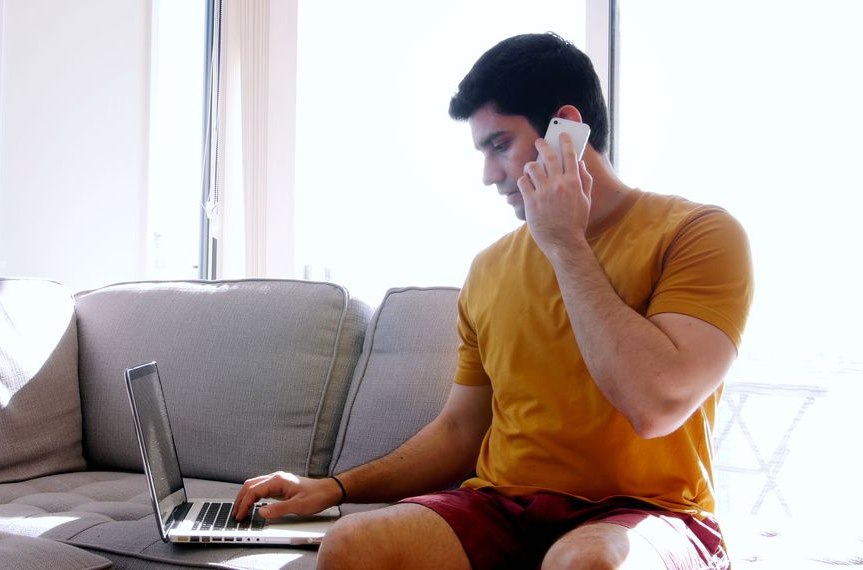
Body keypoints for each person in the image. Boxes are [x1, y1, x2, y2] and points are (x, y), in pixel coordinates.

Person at [233, 32, 753, 569]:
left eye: (499, 144)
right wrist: (336, 487)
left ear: (565, 132)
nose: (488, 175)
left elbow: (655, 404)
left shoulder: (699, 235)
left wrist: (566, 243)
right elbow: (460, 430)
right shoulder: (489, 270)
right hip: (503, 505)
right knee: (353, 545)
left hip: (651, 512)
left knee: (588, 563)